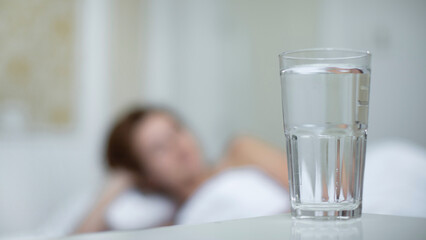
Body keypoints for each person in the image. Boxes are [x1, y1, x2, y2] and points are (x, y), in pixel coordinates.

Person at [75, 106, 289, 233]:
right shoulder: (172, 225)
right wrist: (119, 184)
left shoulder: (240, 151)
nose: (177, 146)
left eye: (176, 130)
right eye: (159, 147)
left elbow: (317, 196)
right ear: (147, 176)